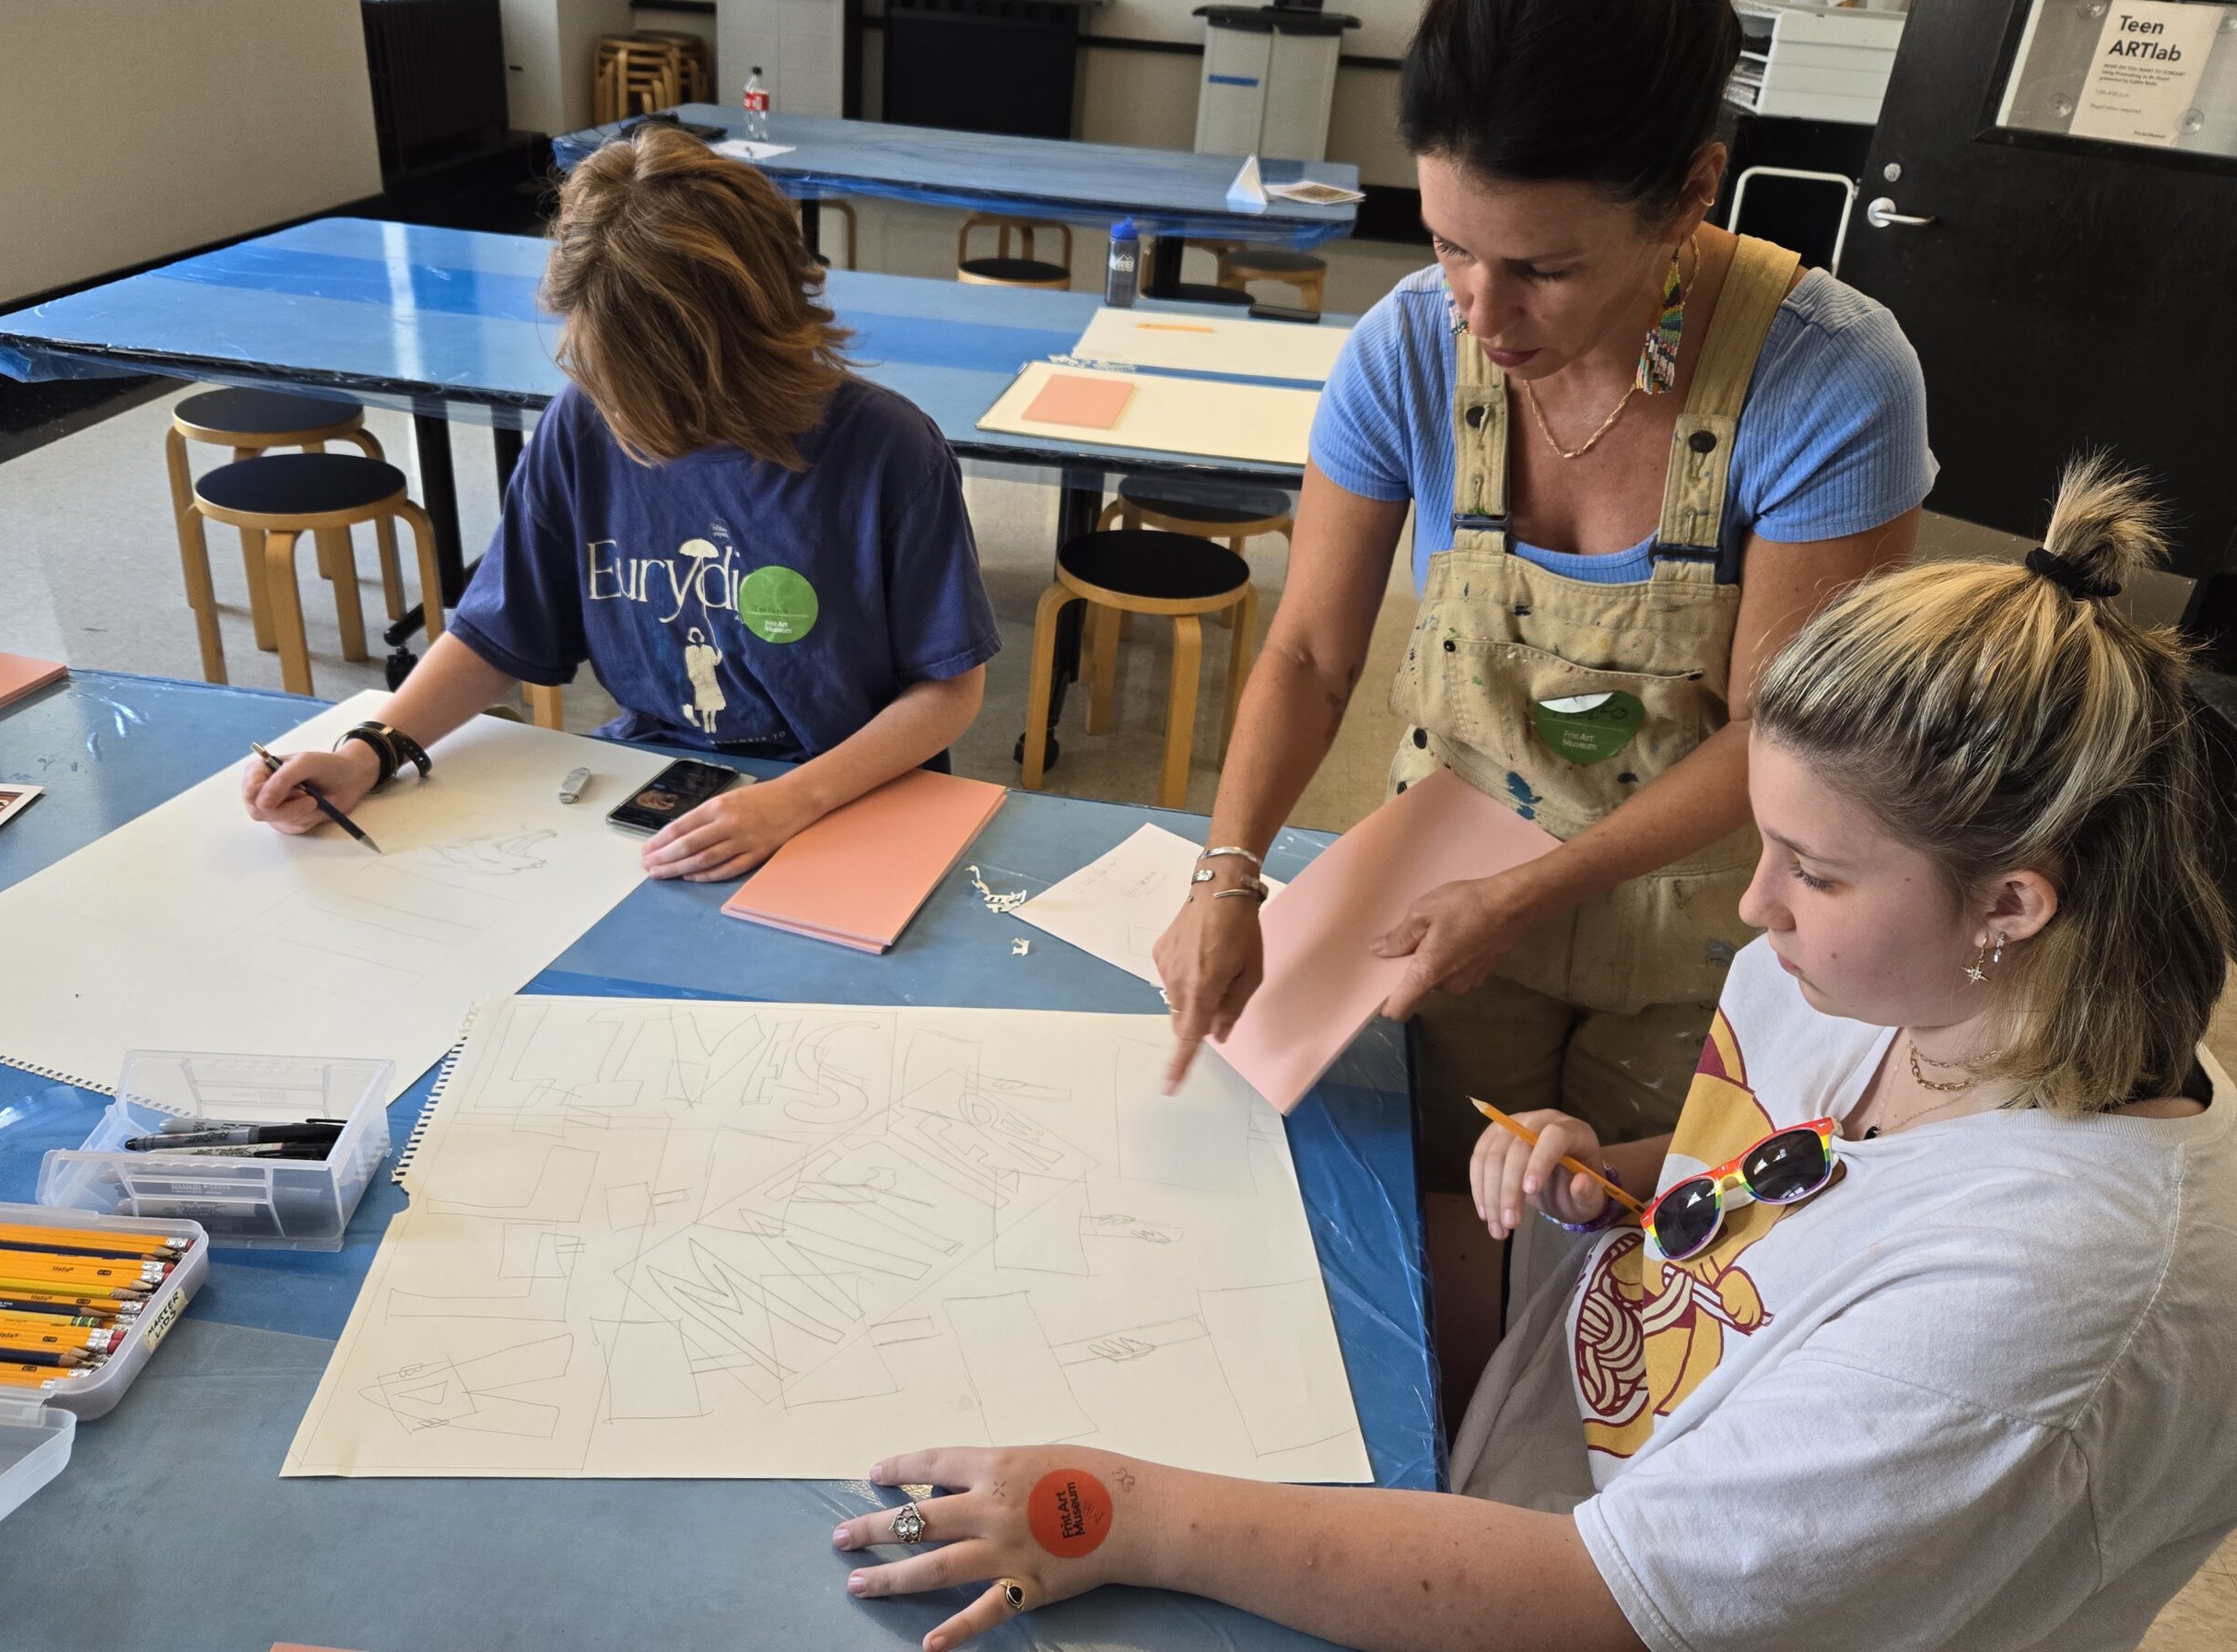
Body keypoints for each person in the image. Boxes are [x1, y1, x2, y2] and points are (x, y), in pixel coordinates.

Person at [830, 462, 2237, 1652]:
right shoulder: (1907, 989)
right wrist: (1618, 1175)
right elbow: (1791, 1200)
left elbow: (1600, 1597)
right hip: (1579, 1375)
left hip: (1589, 1566)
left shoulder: (2053, 1287)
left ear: (2012, 902)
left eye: (1810, 871)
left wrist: (1125, 1512)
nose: (1754, 910)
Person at [1155, 0, 1934, 1170]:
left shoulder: (1830, 382)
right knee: (1442, 1206)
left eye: (1546, 268)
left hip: (1702, 917)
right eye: (1451, 244)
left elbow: (1780, 738)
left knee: (1615, 1241)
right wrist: (1226, 872)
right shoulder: (1408, 344)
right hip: (1443, 897)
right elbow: (1306, 655)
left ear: (1692, 191)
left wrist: (1529, 892)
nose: (1483, 311)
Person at [241, 128, 1001, 878]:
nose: (630, 417)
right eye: (608, 381)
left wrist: (794, 800)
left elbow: (948, 690)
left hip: (847, 792)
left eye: (655, 390)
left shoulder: (889, 450)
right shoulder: (583, 420)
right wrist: (373, 748)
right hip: (658, 776)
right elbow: (498, 632)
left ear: (750, 344)